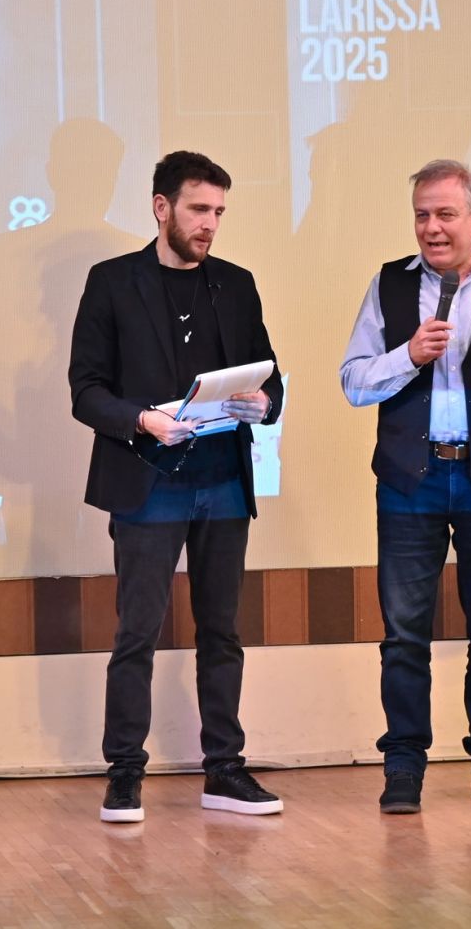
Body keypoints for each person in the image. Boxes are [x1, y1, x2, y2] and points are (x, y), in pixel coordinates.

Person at [67, 150, 285, 822]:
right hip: (148, 479)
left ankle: (225, 771)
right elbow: (86, 391)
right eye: (198, 209)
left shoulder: (236, 284)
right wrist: (143, 419)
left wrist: (265, 404)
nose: (209, 223)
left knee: (222, 632)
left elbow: (270, 378)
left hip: (223, 481)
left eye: (218, 211)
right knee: (138, 631)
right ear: (162, 207)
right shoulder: (112, 282)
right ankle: (125, 774)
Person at [340, 159, 471, 814]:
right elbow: (353, 382)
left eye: (446, 214)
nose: (432, 228)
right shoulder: (389, 284)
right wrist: (408, 355)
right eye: (422, 215)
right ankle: (404, 767)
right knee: (405, 636)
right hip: (413, 478)